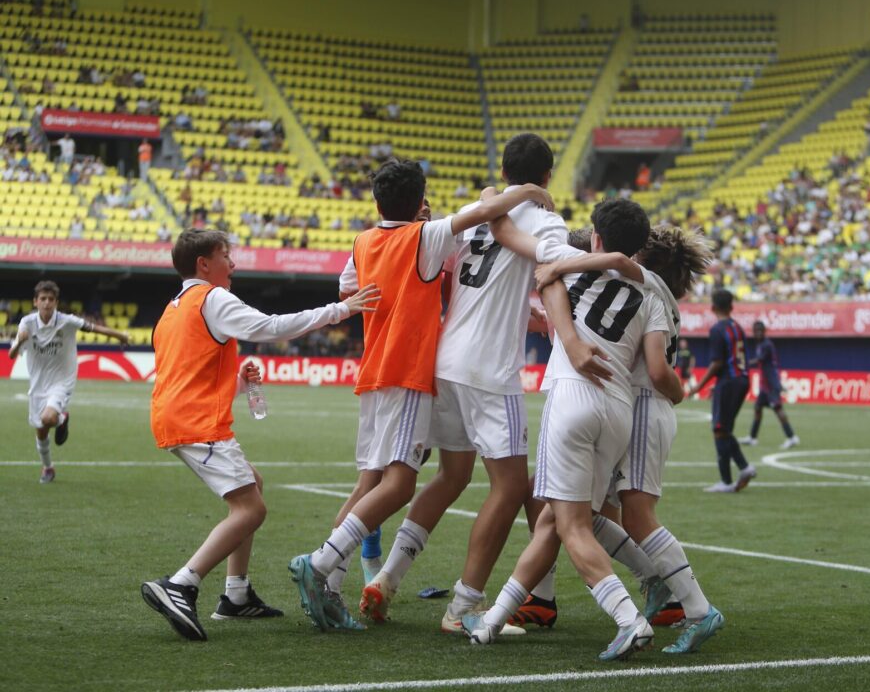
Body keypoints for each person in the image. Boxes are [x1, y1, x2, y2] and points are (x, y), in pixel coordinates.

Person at [288, 160, 554, 632]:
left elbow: (350, 289)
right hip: (410, 372)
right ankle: (323, 562)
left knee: (376, 481)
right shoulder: (424, 237)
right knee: (400, 483)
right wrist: (528, 189)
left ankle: (343, 583)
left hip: (376, 370)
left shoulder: (363, 241)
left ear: (376, 202)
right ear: (420, 201)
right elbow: (484, 215)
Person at [366, 134, 570, 635]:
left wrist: (526, 311)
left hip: (445, 359)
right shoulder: (547, 220)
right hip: (489, 370)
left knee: (452, 476)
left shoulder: (472, 212)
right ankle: (463, 606)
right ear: (546, 177)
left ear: (503, 172)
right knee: (512, 485)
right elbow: (554, 271)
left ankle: (387, 578)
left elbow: (468, 281)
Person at [140, 230, 380, 642]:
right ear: (203, 264)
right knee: (251, 510)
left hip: (175, 418)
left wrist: (235, 383)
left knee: (253, 485)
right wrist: (339, 310)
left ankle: (236, 595)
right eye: (225, 256)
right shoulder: (211, 298)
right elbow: (271, 327)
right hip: (197, 424)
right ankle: (182, 583)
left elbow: (188, 377)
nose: (232, 265)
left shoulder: (172, 310)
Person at [462, 199, 663, 661]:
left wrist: (509, 192)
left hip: (573, 395)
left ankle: (629, 619)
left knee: (571, 525)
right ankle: (492, 621)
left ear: (594, 237)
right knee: (555, 519)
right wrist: (614, 260)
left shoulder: (567, 267)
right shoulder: (651, 289)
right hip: (618, 410)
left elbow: (504, 231)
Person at [532, 225, 726, 654]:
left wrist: (556, 267)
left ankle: (696, 608)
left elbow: (657, 370)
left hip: (642, 405)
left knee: (634, 516)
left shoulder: (646, 288)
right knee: (588, 511)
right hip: (636, 409)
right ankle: (655, 583)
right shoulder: (661, 298)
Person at [9, 281, 129, 483]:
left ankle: (61, 418)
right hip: (38, 384)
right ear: (35, 301)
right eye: (43, 299)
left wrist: (120, 335)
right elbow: (12, 355)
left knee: (48, 418)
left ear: (56, 302)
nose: (46, 303)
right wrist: (20, 341)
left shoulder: (67, 321)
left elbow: (94, 328)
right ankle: (48, 468)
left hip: (61, 381)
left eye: (50, 299)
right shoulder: (27, 323)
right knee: (41, 432)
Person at [686, 290, 756, 493]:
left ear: (713, 307)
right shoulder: (738, 327)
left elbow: (717, 362)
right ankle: (740, 471)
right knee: (723, 430)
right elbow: (732, 359)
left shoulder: (717, 329)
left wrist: (699, 386)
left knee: (719, 429)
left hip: (730, 381)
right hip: (741, 380)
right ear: (732, 307)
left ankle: (733, 476)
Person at [739, 321, 800, 449]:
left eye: (760, 331)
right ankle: (752, 438)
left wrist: (744, 363)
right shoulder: (761, 344)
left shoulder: (767, 345)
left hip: (771, 385)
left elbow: (759, 360)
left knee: (778, 410)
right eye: (756, 331)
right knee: (757, 408)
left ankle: (792, 437)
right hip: (765, 386)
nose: (758, 333)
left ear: (764, 331)